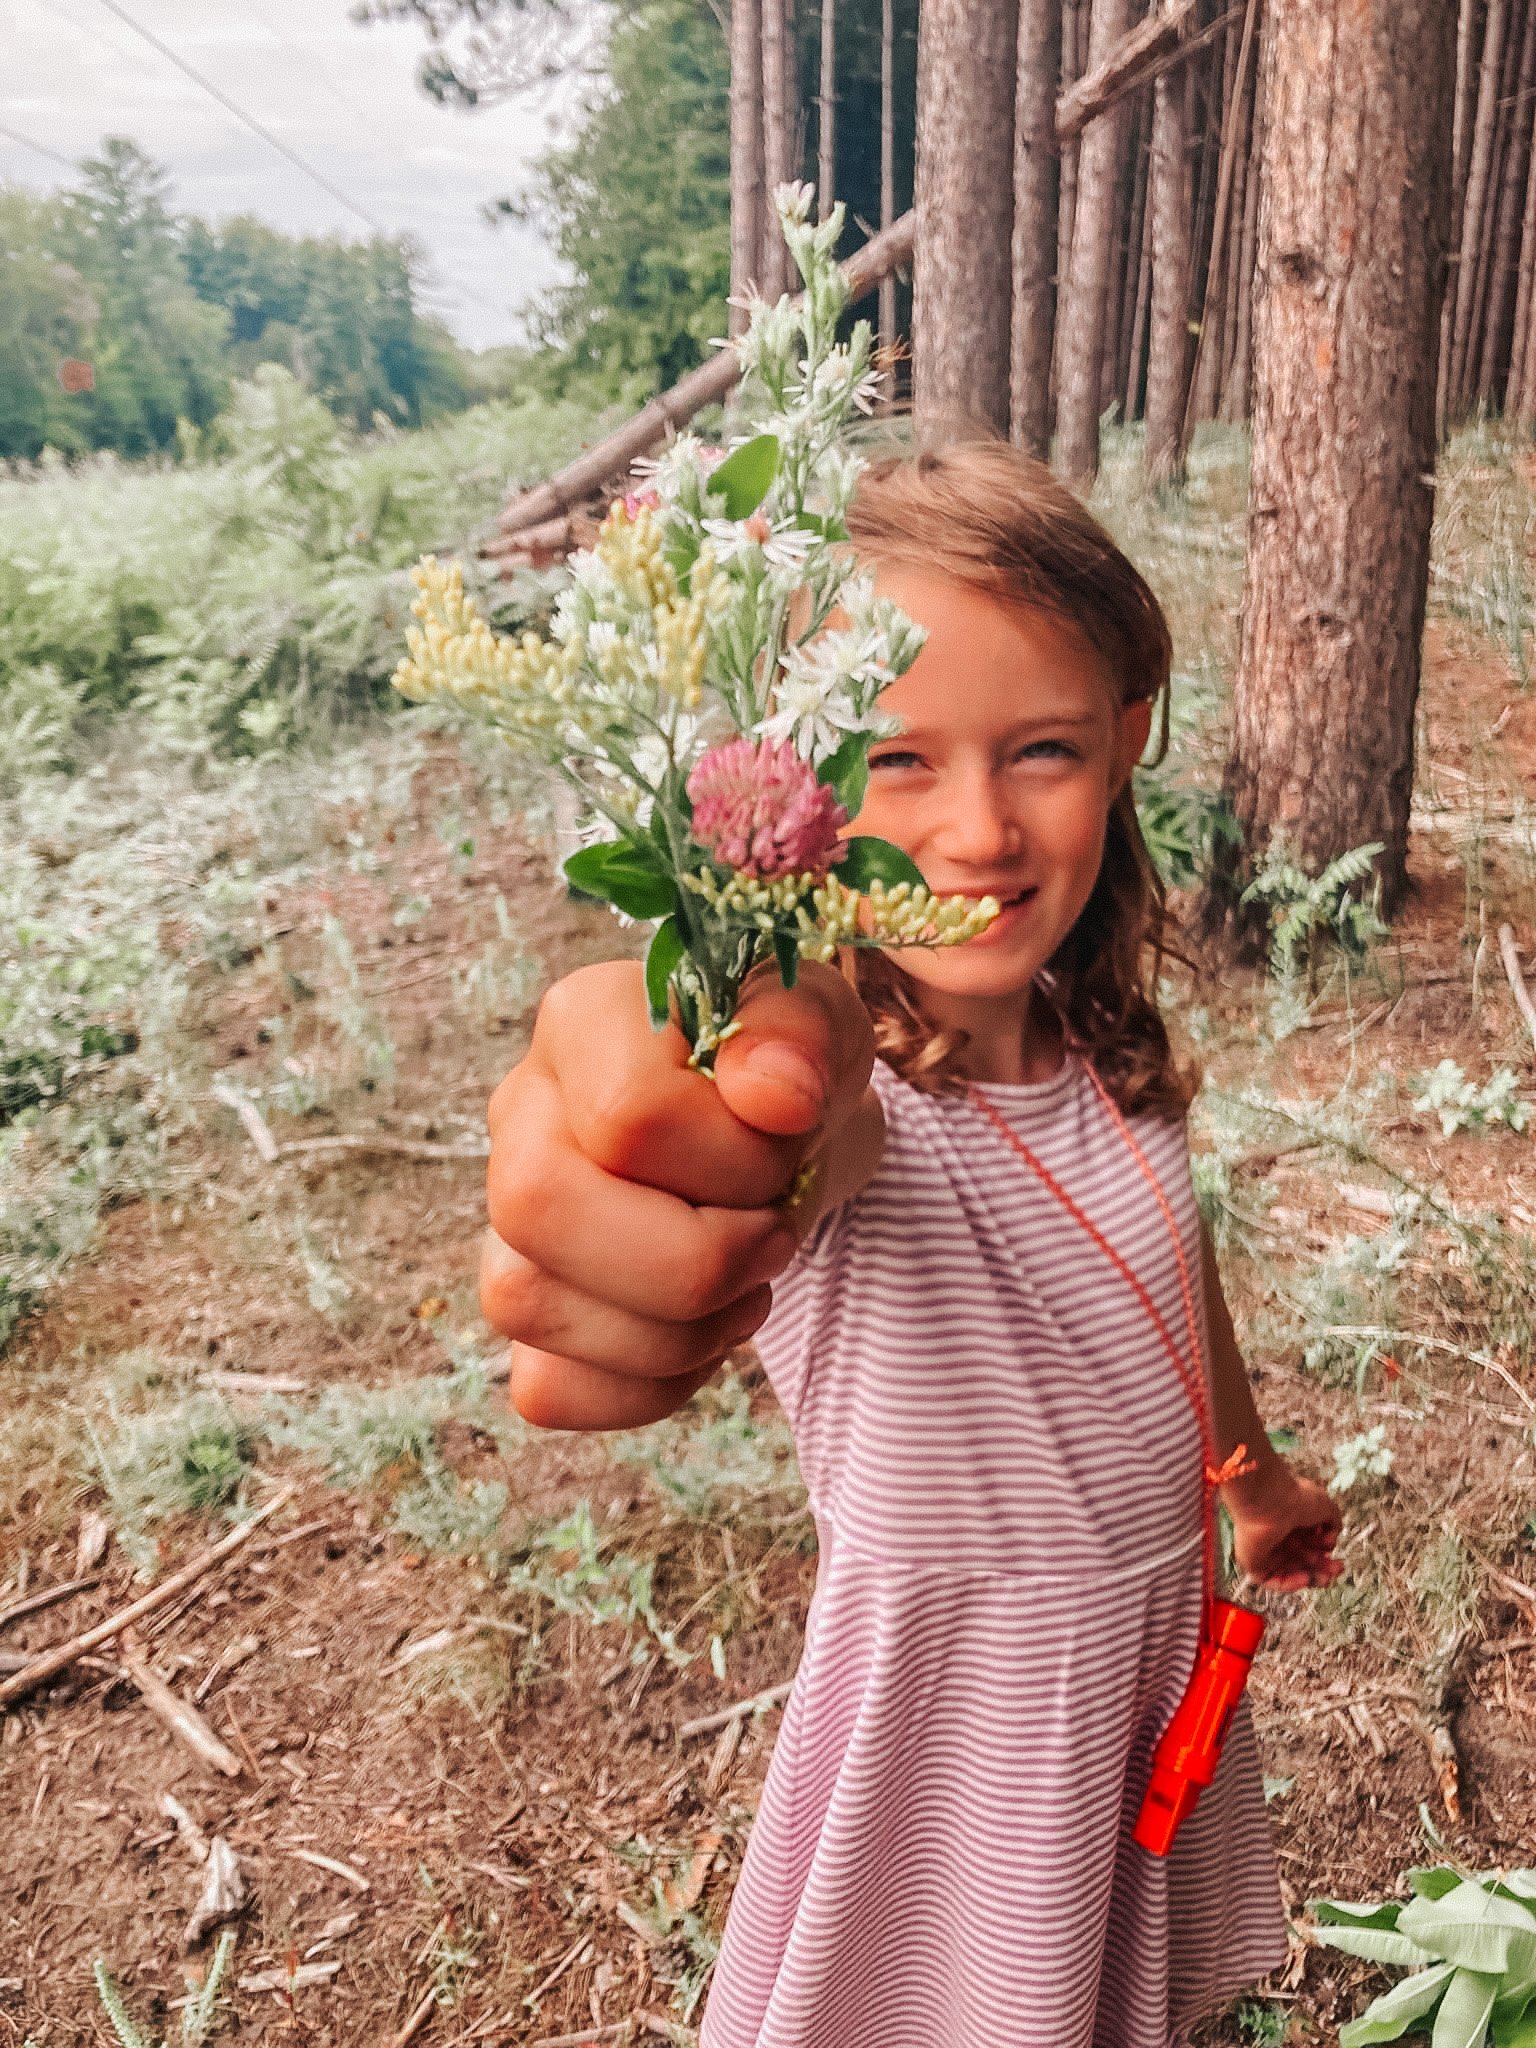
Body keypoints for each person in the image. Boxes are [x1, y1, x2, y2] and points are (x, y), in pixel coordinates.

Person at [480, 441, 1343, 2048]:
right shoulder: (863, 1096)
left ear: (1127, 742)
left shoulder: (1098, 1045)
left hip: (1140, 1662)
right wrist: (720, 1103)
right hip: (966, 1734)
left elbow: (1172, 1266)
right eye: (893, 765)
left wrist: (1254, 1476)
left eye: (1041, 751)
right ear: (791, 790)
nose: (978, 831)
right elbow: (785, 1120)